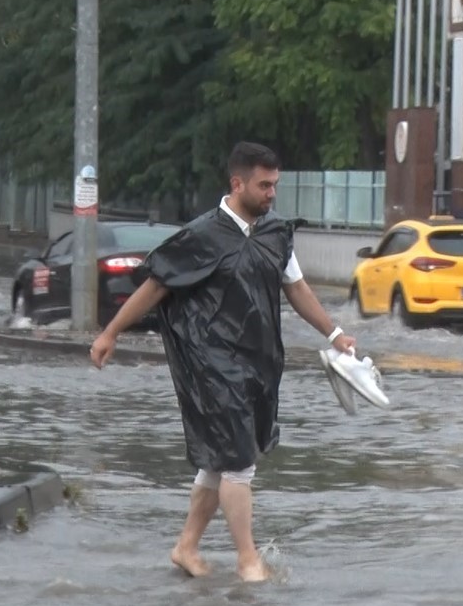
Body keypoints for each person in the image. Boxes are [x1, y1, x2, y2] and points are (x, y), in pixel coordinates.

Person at [89, 142, 357, 582]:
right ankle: (248, 559)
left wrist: (334, 333)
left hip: (259, 364)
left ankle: (186, 547)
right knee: (238, 461)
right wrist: (110, 332)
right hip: (210, 363)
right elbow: (155, 288)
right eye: (264, 185)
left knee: (217, 462)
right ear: (237, 184)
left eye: (275, 185)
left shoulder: (275, 234)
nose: (272, 193)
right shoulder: (202, 235)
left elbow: (298, 290)